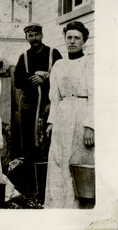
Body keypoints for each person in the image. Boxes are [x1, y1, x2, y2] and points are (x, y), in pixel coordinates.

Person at [44, 21, 94, 208]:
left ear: (84, 41)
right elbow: (54, 98)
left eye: (77, 38)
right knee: (58, 161)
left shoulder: (89, 63)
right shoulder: (58, 64)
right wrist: (51, 123)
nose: (72, 41)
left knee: (77, 162)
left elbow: (95, 95)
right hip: (62, 117)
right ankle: (57, 207)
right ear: (65, 40)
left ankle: (76, 208)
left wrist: (90, 125)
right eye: (69, 37)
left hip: (81, 114)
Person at [14, 23, 62, 194]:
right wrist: (34, 78)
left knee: (47, 145)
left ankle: (48, 189)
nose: (33, 39)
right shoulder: (24, 57)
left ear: (42, 35)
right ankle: (29, 188)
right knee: (28, 146)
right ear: (26, 38)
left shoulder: (53, 54)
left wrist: (45, 78)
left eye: (36, 35)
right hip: (28, 107)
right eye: (30, 36)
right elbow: (18, 81)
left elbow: (62, 76)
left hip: (48, 105)